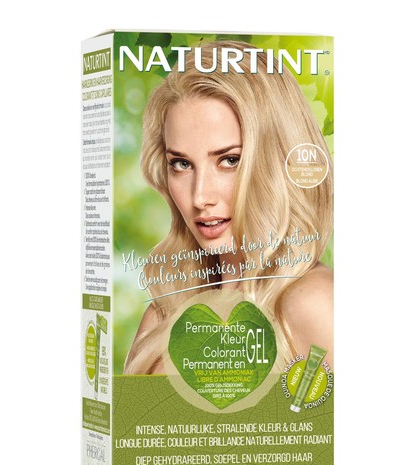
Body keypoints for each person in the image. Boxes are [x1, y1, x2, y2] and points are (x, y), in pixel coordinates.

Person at [124, 41, 333, 375]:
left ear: (278, 160)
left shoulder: (313, 302)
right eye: (181, 164)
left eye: (229, 160)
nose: (199, 197)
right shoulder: (166, 311)